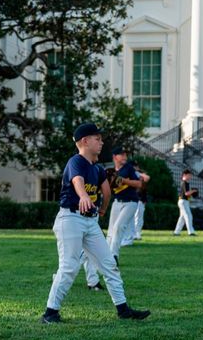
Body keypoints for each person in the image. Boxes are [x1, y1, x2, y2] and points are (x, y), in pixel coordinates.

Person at [42, 122, 150, 324]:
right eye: (97, 139)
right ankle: (50, 313)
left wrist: (101, 210)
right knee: (68, 267)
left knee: (109, 264)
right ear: (84, 141)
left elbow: (107, 192)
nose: (101, 143)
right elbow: (77, 181)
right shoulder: (76, 161)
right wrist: (83, 196)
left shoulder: (98, 168)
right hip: (70, 219)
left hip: (89, 221)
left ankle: (123, 310)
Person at [106, 147, 146, 261]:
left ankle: (113, 256)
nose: (125, 157)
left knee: (119, 227)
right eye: (121, 154)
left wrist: (124, 180)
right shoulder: (112, 171)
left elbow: (139, 184)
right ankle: (106, 255)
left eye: (125, 155)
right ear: (114, 157)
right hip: (117, 202)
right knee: (110, 230)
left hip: (130, 202)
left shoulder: (128, 168)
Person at [174, 169, 197, 236]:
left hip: (183, 201)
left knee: (182, 218)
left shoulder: (185, 183)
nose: (190, 176)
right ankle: (191, 232)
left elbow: (186, 194)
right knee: (188, 216)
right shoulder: (184, 182)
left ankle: (176, 232)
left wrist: (191, 192)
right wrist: (193, 191)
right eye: (189, 175)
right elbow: (186, 193)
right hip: (183, 201)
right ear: (184, 175)